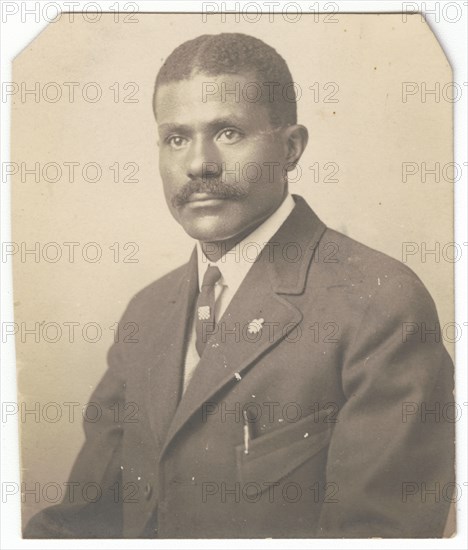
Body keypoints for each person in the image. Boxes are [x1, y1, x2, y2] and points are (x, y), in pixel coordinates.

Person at [24, 32, 454, 539]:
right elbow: (83, 524)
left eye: (227, 132)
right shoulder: (148, 312)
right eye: (176, 138)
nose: (198, 163)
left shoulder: (380, 305)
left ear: (291, 148)